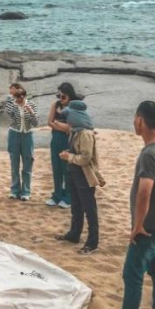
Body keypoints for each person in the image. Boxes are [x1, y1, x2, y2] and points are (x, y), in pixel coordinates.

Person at [94, 101, 155, 309]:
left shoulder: (150, 153)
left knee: (132, 273)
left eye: (135, 118)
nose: (133, 122)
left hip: (149, 226)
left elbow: (144, 192)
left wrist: (137, 225)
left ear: (140, 120)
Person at [56, 99, 106, 253]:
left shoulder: (84, 134)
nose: (67, 119)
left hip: (84, 173)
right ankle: (74, 234)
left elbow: (85, 158)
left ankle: (92, 243)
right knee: (76, 205)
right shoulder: (76, 130)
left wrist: (68, 157)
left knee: (89, 208)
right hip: (74, 172)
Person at [47, 83, 81, 209]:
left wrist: (57, 124)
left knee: (67, 169)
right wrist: (61, 126)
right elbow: (49, 122)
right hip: (55, 139)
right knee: (56, 169)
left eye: (63, 95)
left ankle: (68, 197)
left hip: (68, 141)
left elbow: (71, 128)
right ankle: (57, 195)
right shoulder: (55, 105)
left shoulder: (74, 107)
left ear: (69, 95)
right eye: (59, 95)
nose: (60, 98)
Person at [5, 84, 38, 201]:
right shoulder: (11, 104)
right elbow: (8, 113)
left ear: (24, 95)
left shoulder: (31, 104)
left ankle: (26, 191)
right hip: (14, 134)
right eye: (15, 95)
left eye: (19, 96)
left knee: (28, 162)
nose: (17, 98)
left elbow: (36, 123)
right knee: (14, 162)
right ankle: (14, 190)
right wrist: (12, 99)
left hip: (27, 135)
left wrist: (31, 112)